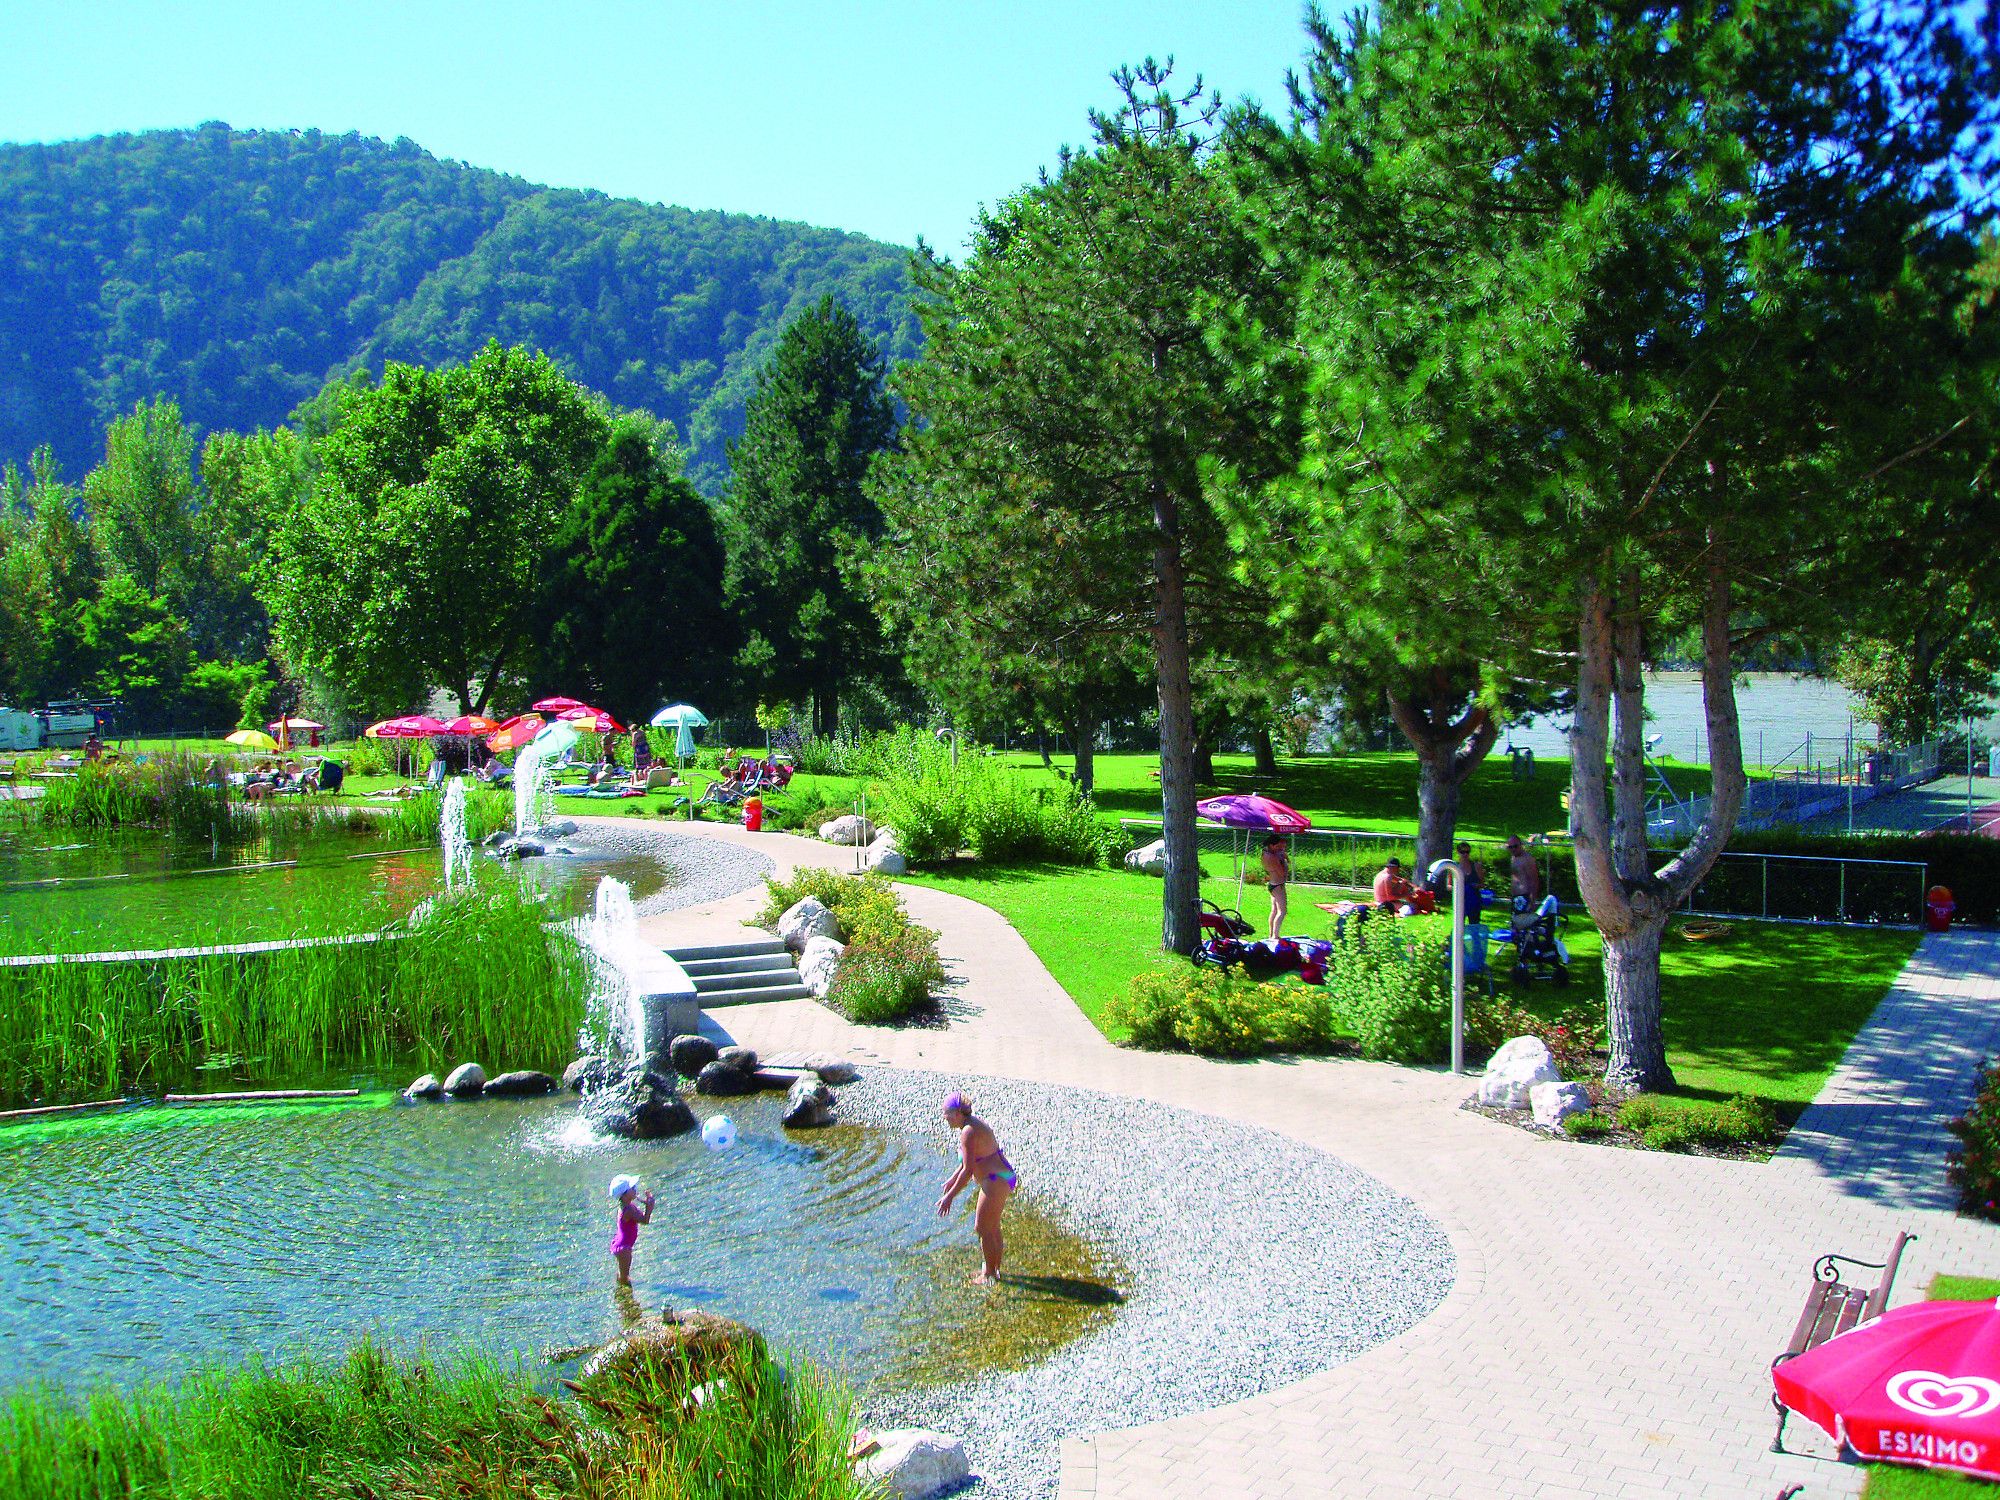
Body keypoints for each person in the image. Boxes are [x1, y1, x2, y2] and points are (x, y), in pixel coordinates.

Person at [937, 1092, 1014, 1285]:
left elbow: (969, 1170)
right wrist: (951, 1179)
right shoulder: (972, 1124)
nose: (944, 1118)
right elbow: (969, 1161)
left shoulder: (968, 1132)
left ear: (956, 1114)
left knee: (982, 1227)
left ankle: (988, 1275)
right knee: (992, 1226)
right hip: (1002, 1176)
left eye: (946, 1113)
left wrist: (950, 1197)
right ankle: (994, 1269)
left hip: (995, 1180)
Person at [608, 1174, 655, 1285]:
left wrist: (645, 1204)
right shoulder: (629, 1209)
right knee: (625, 1278)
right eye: (632, 1189)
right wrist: (650, 1207)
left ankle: (622, 1294)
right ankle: (623, 1296)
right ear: (624, 1196)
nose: (635, 1189)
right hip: (624, 1248)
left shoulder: (628, 1206)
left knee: (622, 1275)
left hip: (621, 1244)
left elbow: (640, 1218)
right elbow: (645, 1220)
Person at [1260, 833, 1291, 940]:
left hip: (1272, 884)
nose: (1279, 848)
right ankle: (1275, 936)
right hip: (1278, 885)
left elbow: (1283, 855)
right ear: (1271, 845)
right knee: (1282, 911)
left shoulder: (1266, 852)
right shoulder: (1272, 858)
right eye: (1277, 846)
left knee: (1274, 910)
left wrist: (1283, 854)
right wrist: (1284, 862)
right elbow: (1282, 872)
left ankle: (1271, 934)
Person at [1507, 835, 1543, 909]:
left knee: (1522, 919)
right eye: (1510, 847)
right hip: (1516, 897)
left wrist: (1532, 901)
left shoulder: (1528, 859)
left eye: (1515, 846)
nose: (1513, 849)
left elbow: (1534, 880)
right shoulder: (1513, 858)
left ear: (1521, 845)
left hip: (1525, 897)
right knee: (1516, 919)